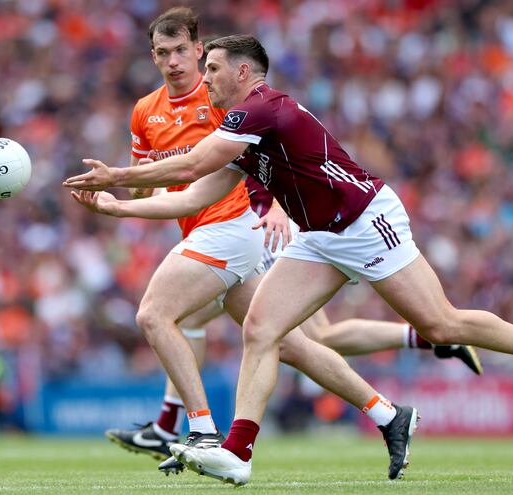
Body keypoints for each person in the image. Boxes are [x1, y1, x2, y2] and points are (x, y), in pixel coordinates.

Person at [64, 35, 513, 486]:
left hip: (366, 221)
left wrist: (117, 175)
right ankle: (238, 452)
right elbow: (196, 193)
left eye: (212, 68)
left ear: (245, 71)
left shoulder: (261, 108)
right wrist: (119, 210)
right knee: (261, 329)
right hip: (319, 235)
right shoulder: (239, 123)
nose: (204, 78)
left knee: (441, 322)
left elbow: (198, 160)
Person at [85, 9, 422, 481]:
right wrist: (114, 200)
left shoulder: (224, 94)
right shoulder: (146, 111)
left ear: (199, 51)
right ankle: (389, 415)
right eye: (163, 53)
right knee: (286, 343)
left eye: (183, 51)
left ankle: (198, 431)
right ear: (153, 57)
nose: (174, 62)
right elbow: (152, 187)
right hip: (205, 231)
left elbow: (271, 154)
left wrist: (282, 208)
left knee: (155, 315)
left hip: (233, 227)